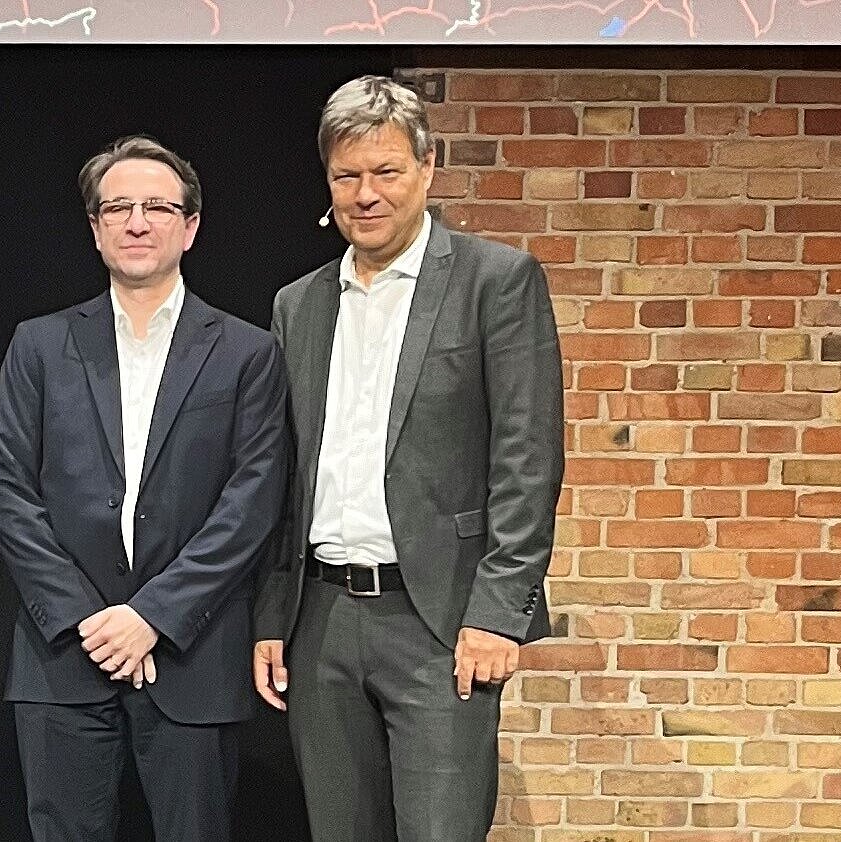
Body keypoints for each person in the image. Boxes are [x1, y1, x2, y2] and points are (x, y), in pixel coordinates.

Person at [250, 75, 564, 842]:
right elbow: (284, 474)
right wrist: (272, 614)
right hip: (319, 622)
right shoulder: (299, 302)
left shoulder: (496, 282)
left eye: (386, 171)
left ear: (427, 168)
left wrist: (498, 616)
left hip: (441, 620)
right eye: (347, 175)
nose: (366, 194)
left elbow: (528, 461)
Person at [0, 135, 288, 842]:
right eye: (117, 207)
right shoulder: (38, 344)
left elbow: (253, 499)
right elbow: (7, 488)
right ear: (94, 229)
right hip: (65, 653)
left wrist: (152, 614)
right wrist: (88, 619)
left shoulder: (247, 352)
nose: (137, 221)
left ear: (191, 225)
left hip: (193, 651)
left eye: (158, 206)